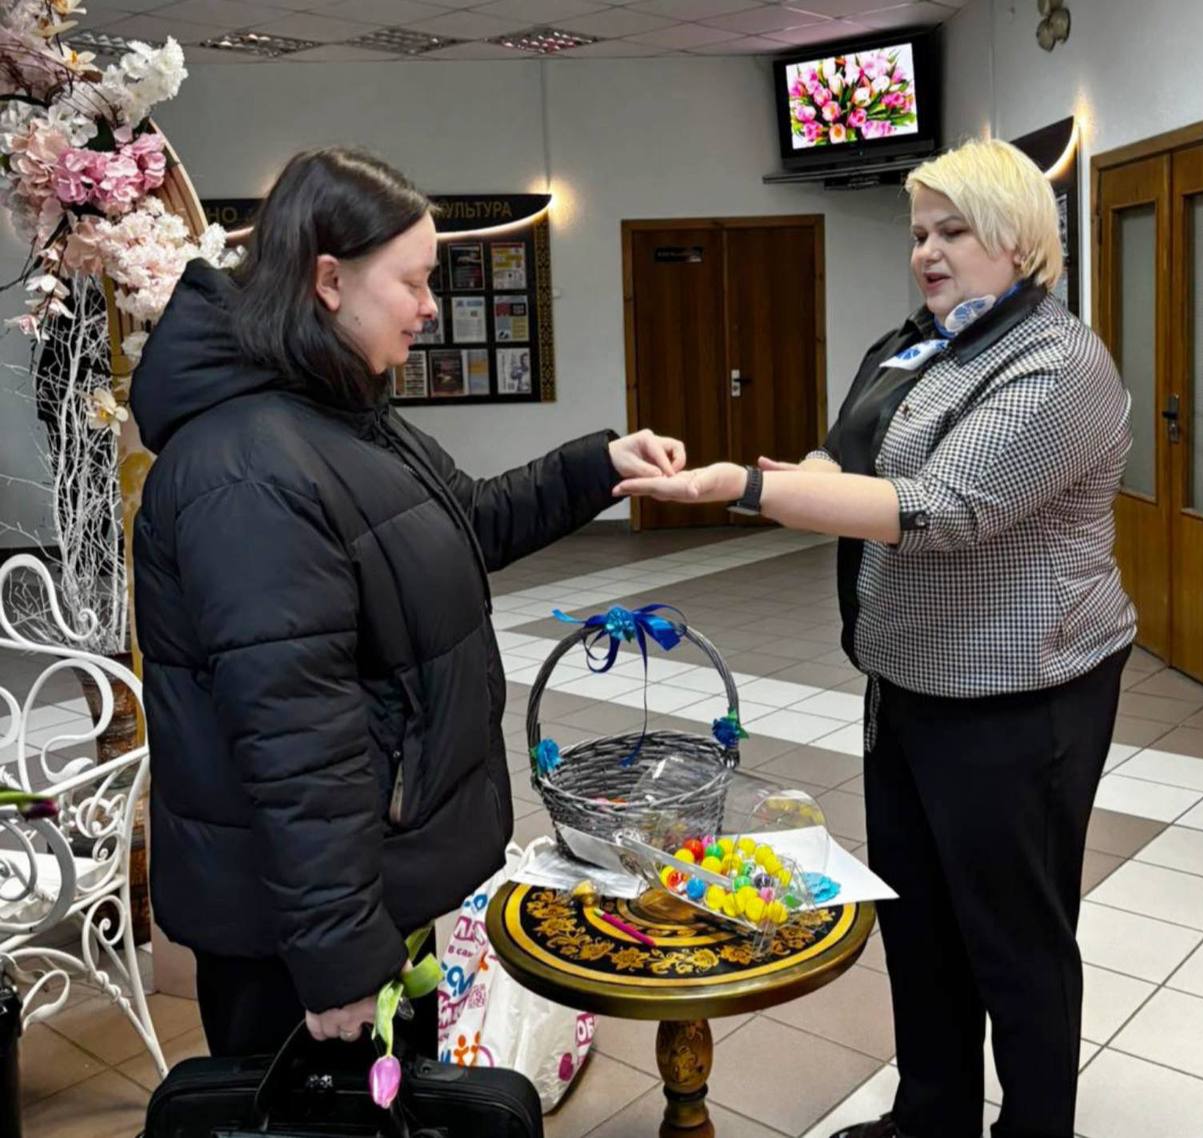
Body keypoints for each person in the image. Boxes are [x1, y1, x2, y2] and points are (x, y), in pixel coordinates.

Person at [615, 138, 1135, 1138]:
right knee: (920, 918)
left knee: (1013, 940)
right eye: (917, 233)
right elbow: (846, 456)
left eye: (952, 231)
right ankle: (931, 1117)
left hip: (1017, 697)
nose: (925, 253)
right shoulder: (925, 342)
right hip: (907, 683)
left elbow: (943, 509)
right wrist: (798, 475)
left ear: (1018, 241)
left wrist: (745, 488)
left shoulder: (1056, 361)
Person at [130, 148, 685, 1058]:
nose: (430, 307)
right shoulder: (251, 469)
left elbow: (461, 523)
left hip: (363, 884)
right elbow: (295, 736)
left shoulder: (336, 413)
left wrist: (595, 468)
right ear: (329, 281)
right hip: (300, 936)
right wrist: (342, 954)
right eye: (415, 282)